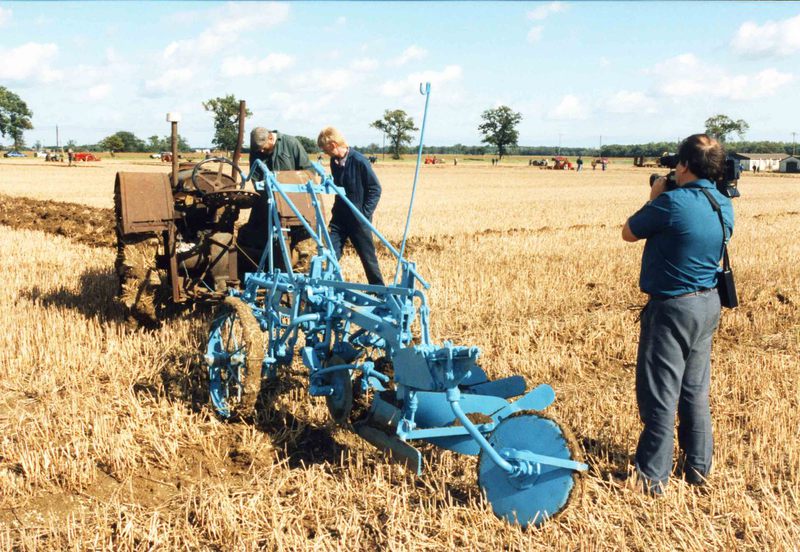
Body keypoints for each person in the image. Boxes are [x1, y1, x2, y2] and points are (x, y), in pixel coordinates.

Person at [622, 133, 734, 495]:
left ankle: (652, 478)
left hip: (672, 308)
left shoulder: (671, 203)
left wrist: (655, 195)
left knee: (660, 393)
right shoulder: (722, 203)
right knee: (695, 390)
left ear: (683, 165)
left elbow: (628, 232)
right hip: (707, 303)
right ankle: (698, 468)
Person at [237, 127, 313, 278]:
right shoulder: (257, 151)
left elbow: (308, 171)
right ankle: (257, 269)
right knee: (250, 233)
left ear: (271, 138)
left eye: (264, 148)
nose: (261, 152)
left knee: (292, 237)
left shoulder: (291, 144)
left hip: (291, 202)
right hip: (267, 201)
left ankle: (288, 268)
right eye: (259, 150)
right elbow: (256, 177)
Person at [317, 126, 384, 286]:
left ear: (333, 145)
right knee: (330, 252)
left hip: (358, 219)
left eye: (325, 149)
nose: (324, 153)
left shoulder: (359, 161)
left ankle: (378, 290)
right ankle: (327, 286)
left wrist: (364, 214)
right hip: (339, 218)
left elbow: (375, 189)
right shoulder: (334, 162)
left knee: (368, 258)